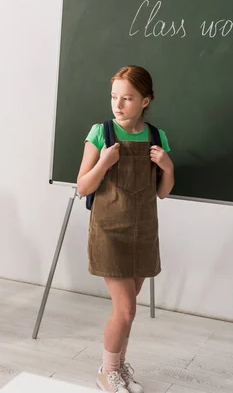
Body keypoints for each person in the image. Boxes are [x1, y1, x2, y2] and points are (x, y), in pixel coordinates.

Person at [76, 65, 174, 392]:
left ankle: (117, 368)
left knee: (127, 313)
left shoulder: (157, 137)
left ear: (146, 100)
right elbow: (83, 187)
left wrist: (167, 167)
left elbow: (162, 191)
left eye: (128, 98)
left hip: (144, 230)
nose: (118, 104)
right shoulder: (100, 132)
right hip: (109, 231)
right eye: (114, 96)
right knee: (127, 308)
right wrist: (104, 162)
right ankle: (107, 372)